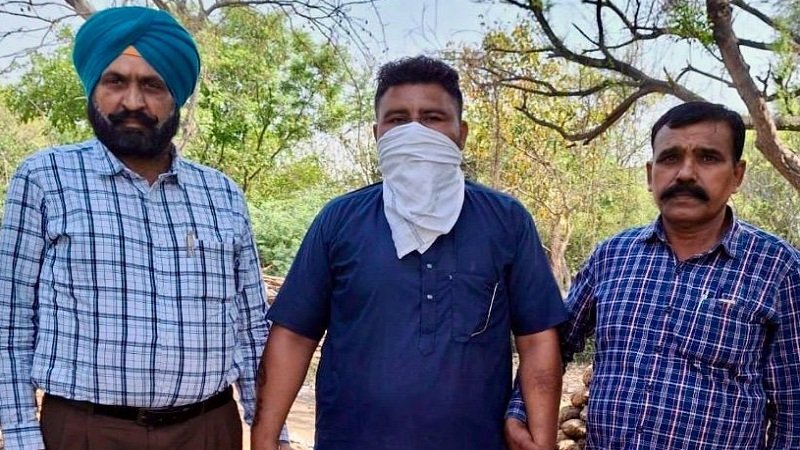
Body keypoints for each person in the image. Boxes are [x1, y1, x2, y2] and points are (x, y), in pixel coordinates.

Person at [0, 6, 288, 450]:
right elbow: (10, 323)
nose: (132, 102)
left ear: (177, 96)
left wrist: (272, 436)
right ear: (94, 87)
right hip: (84, 432)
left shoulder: (222, 194)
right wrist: (22, 439)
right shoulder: (45, 178)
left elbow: (251, 328)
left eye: (153, 85)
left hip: (208, 430)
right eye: (115, 81)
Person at [249, 55, 567, 450]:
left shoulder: (506, 221)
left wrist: (542, 441)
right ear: (377, 133)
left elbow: (537, 340)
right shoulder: (339, 221)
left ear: (461, 133)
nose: (415, 133)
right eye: (398, 120)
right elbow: (294, 337)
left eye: (432, 118)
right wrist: (263, 438)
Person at [505, 101, 800, 450]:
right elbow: (556, 343)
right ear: (650, 174)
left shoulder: (777, 268)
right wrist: (519, 410)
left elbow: (793, 406)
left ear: (737, 175)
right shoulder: (612, 256)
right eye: (670, 158)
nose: (685, 174)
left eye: (707, 158)